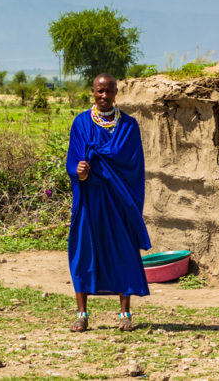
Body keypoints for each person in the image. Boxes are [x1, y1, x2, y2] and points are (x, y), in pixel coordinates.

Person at [66, 73, 151, 332]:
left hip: (118, 200)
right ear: (92, 91)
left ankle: (125, 314)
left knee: (123, 253)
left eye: (109, 91)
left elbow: (135, 166)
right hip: (90, 199)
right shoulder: (81, 123)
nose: (104, 96)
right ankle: (82, 314)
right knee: (84, 253)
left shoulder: (129, 126)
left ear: (116, 92)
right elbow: (73, 159)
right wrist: (78, 171)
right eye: (99, 91)